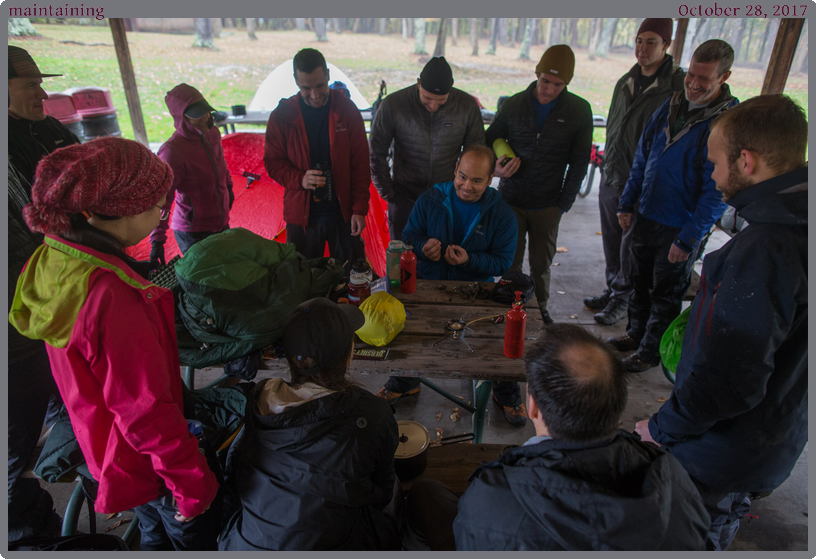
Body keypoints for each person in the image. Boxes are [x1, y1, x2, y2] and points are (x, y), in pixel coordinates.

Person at [9, 138, 221, 550]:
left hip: (110, 449)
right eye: (156, 208)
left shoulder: (54, 256)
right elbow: (144, 410)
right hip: (152, 463)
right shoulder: (113, 297)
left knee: (151, 530)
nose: (161, 216)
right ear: (109, 213)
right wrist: (191, 484)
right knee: (187, 536)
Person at [635, 94, 808, 551]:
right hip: (772, 435)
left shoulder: (766, 249)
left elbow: (731, 379)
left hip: (723, 453)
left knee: (689, 537)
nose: (711, 175)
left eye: (714, 164)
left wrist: (662, 428)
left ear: (746, 161)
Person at [402, 324, 709, 550]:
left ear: (532, 406)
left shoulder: (492, 500)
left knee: (425, 493)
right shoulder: (675, 483)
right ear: (617, 409)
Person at [219, 298, 401, 551]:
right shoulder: (373, 413)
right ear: (348, 354)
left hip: (245, 545)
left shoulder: (256, 398)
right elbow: (381, 495)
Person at [609, 39, 738, 373]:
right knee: (639, 281)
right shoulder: (671, 105)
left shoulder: (725, 124)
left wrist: (689, 238)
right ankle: (635, 334)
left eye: (704, 79)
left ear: (724, 78)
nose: (693, 84)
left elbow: (717, 191)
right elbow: (643, 155)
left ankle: (651, 351)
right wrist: (628, 201)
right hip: (647, 212)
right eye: (691, 75)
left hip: (680, 225)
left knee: (665, 292)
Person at [376, 145, 524, 427]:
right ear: (455, 169)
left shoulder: (502, 214)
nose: (466, 186)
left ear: (491, 179)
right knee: (407, 331)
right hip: (428, 284)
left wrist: (469, 260)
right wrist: (422, 247)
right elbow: (409, 236)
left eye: (477, 181)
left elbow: (503, 263)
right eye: (462, 177)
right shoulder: (430, 199)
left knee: (497, 341)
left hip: (476, 290)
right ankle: (405, 381)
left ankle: (506, 392)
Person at [7, 45, 80, 542]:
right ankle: (19, 522)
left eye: (41, 82)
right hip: (19, 302)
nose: (42, 92)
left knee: (67, 387)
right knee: (21, 411)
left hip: (62, 287)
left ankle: (66, 459)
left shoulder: (52, 131)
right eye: (30, 84)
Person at [584, 19, 685, 326]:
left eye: (651, 42)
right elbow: (615, 127)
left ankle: (623, 297)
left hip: (640, 181)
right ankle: (613, 288)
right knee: (612, 240)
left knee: (631, 244)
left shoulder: (675, 87)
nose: (642, 48)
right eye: (639, 41)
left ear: (666, 45)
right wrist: (607, 165)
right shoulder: (625, 81)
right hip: (613, 173)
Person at [485, 44, 593, 325]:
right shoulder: (514, 104)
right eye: (546, 81)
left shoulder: (579, 110)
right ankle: (510, 306)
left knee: (541, 264)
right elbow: (491, 136)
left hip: (548, 203)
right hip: (510, 199)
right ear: (537, 74)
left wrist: (563, 204)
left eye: (558, 84)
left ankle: (540, 309)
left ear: (567, 83)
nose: (549, 89)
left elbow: (580, 161)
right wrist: (497, 166)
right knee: (509, 260)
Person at [264, 48, 370, 271]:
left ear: (328, 75)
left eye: (320, 86)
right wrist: (300, 179)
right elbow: (273, 163)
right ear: (295, 81)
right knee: (302, 279)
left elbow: (360, 164)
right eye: (306, 88)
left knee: (352, 277)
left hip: (343, 215)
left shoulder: (347, 110)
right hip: (302, 218)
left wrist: (359, 208)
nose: (314, 95)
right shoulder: (282, 115)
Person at [369, 56, 486, 240]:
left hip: (446, 199)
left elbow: (477, 153)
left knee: (444, 253)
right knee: (403, 255)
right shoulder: (394, 104)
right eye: (427, 99)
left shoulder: (466, 106)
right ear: (418, 84)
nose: (433, 106)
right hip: (404, 197)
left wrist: (464, 192)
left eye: (441, 101)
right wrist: (389, 193)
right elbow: (375, 152)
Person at [149, 83, 234, 260]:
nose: (205, 118)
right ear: (180, 117)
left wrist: (228, 186)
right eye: (196, 115)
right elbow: (162, 199)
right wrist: (157, 240)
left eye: (206, 111)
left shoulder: (213, 134)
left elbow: (220, 163)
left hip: (221, 224)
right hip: (193, 233)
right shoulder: (173, 151)